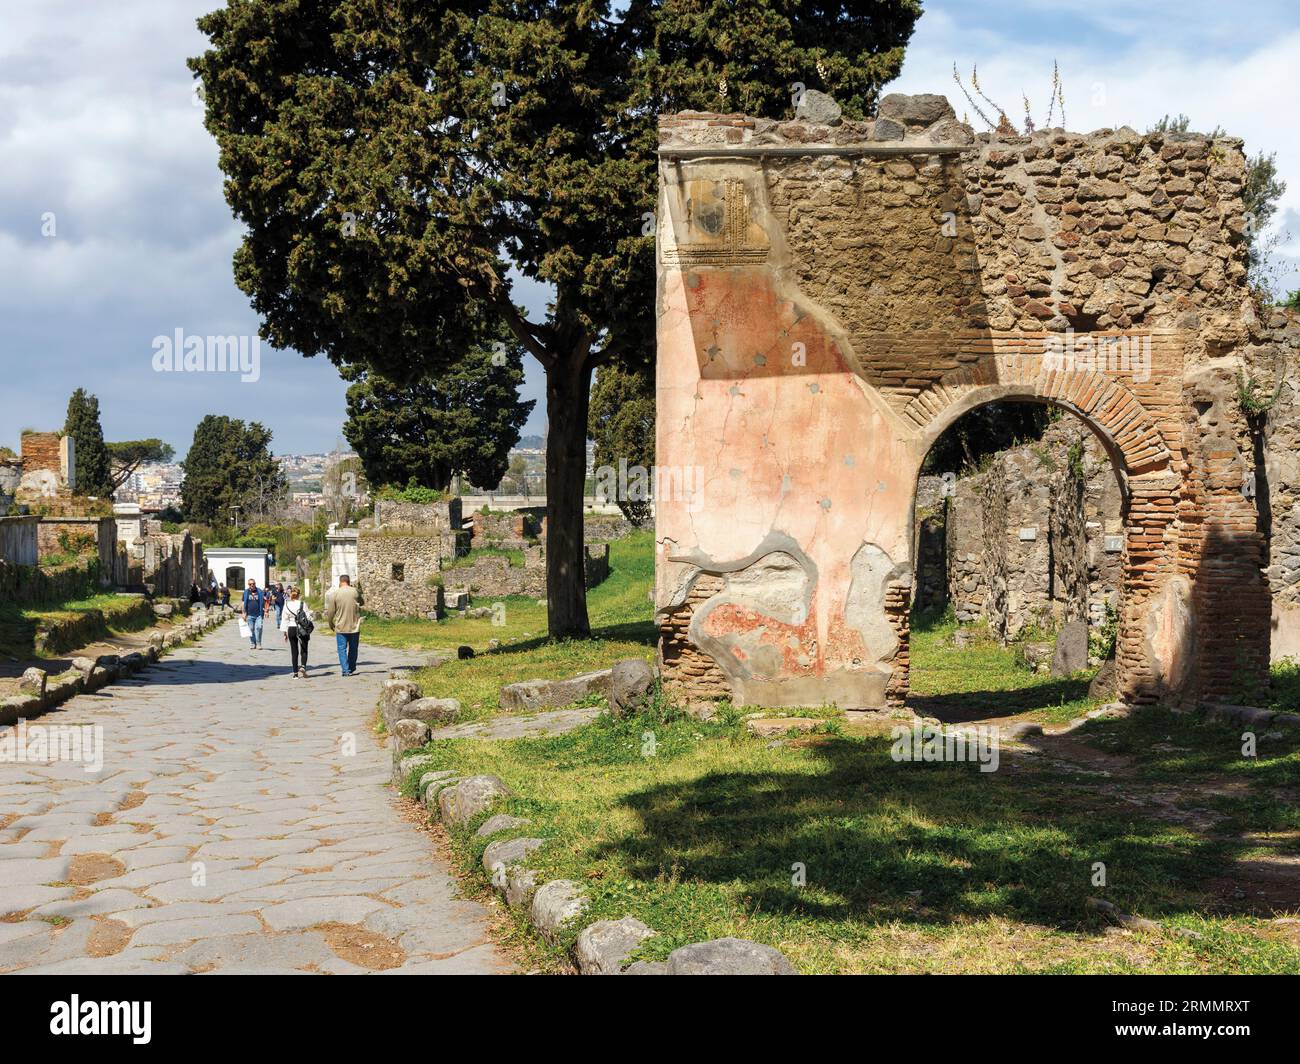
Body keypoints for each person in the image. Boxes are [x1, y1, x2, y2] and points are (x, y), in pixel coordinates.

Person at [323, 573, 362, 676]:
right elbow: (362, 602)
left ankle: (345, 670)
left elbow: (331, 612)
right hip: (354, 626)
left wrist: (331, 623)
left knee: (342, 648)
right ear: (349, 582)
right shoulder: (355, 592)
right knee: (353, 648)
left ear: (340, 582)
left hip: (341, 626)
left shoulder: (335, 594)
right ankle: (352, 667)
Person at [280, 586, 313, 678]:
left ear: (291, 595)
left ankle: (295, 674)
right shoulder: (302, 604)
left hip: (291, 629)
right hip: (301, 628)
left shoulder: (286, 604)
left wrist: (285, 633)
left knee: (294, 651)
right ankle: (303, 666)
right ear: (299, 595)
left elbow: (284, 619)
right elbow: (308, 617)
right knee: (304, 649)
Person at [241, 578, 266, 650]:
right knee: (251, 629)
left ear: (255, 584)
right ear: (248, 585)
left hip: (259, 614)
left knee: (259, 628)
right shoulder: (246, 592)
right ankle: (252, 642)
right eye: (250, 584)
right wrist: (243, 612)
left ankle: (258, 643)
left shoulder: (260, 591)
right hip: (249, 614)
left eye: (253, 584)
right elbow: (243, 603)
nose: (252, 585)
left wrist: (266, 611)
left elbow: (265, 602)